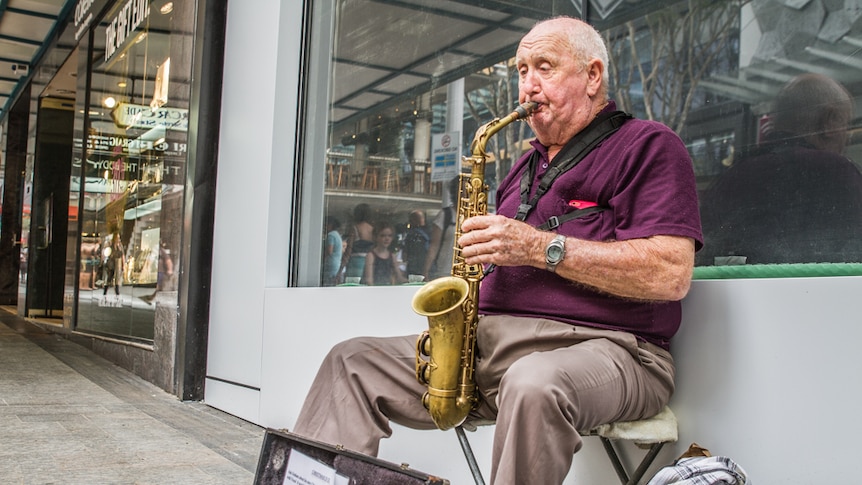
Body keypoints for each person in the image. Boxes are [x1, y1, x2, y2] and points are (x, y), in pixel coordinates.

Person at [293, 16, 702, 485]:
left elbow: (669, 274)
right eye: (521, 70)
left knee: (533, 384)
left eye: (544, 67)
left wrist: (539, 248)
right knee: (352, 361)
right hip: (487, 348)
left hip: (609, 349)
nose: (527, 85)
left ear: (592, 76)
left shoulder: (647, 146)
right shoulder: (522, 167)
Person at [698, 73, 862, 266]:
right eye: (845, 124)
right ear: (830, 121)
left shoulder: (733, 175)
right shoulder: (836, 170)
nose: (847, 137)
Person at [421, 177, 459, 281]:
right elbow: (434, 246)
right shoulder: (445, 215)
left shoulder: (476, 216)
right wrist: (426, 271)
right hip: (445, 273)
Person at [362, 220, 406, 286]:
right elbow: (369, 280)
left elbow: (399, 277)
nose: (387, 238)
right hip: (374, 290)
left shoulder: (392, 256)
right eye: (382, 236)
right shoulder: (371, 256)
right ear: (375, 237)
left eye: (389, 236)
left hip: (387, 289)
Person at [339, 203, 375, 280]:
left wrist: (340, 269)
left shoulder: (355, 228)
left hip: (355, 264)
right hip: (370, 264)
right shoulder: (373, 229)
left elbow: (349, 250)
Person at [402, 210, 430, 278]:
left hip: (423, 263)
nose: (422, 220)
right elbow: (406, 251)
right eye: (420, 218)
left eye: (422, 218)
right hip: (414, 265)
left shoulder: (428, 232)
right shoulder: (411, 234)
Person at [322, 216, 344, 286]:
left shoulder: (331, 235)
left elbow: (329, 250)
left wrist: (322, 258)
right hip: (337, 264)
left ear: (330, 225)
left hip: (331, 265)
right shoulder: (337, 235)